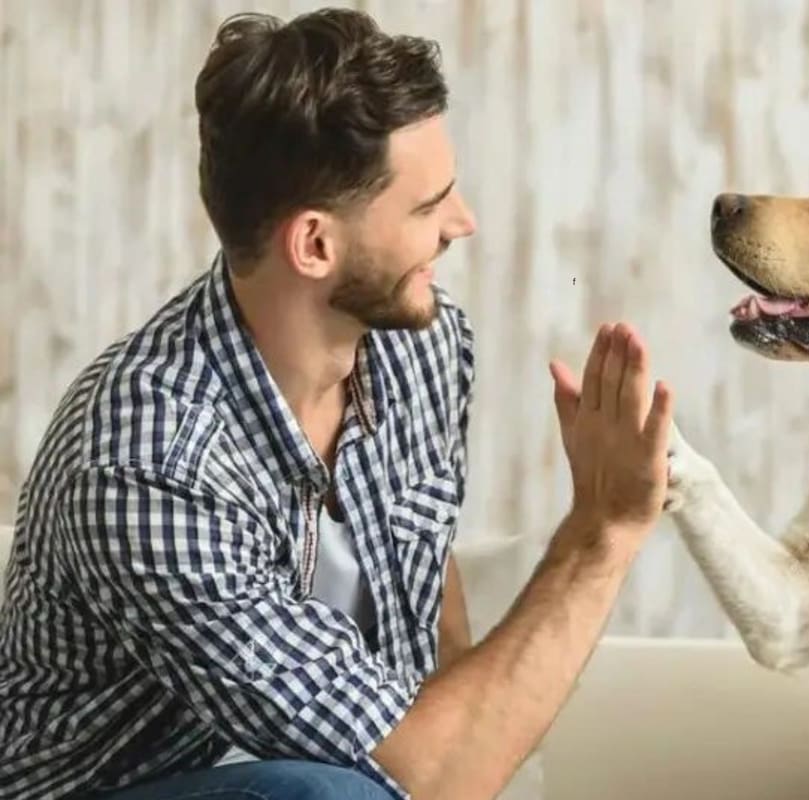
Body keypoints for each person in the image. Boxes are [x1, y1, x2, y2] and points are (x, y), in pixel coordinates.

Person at [0, 8, 674, 800]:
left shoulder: (420, 346)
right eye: (427, 208)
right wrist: (604, 531)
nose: (464, 224)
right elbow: (430, 772)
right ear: (315, 244)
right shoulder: (147, 463)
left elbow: (432, 624)